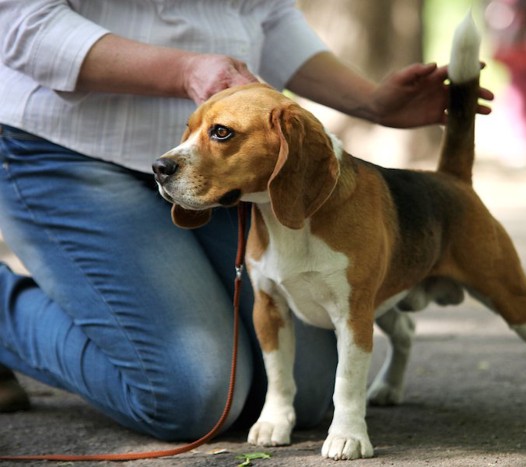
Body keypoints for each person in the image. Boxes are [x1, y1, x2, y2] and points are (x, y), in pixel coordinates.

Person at [0, 1, 493, 440]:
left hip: (229, 173)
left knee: (307, 398)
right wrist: (184, 69)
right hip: (63, 151)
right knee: (192, 395)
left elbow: (269, 13)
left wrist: (371, 102)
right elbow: (21, 22)